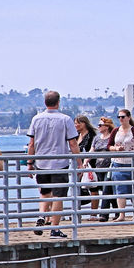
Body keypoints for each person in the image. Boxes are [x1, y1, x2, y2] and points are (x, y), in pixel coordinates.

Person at [27, 90, 79, 238]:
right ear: (58, 102)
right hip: (59, 163)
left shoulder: (36, 119)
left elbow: (31, 144)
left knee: (44, 193)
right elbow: (73, 143)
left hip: (41, 163)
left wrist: (30, 163)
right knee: (58, 196)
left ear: (45, 103)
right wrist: (80, 163)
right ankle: (55, 229)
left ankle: (42, 216)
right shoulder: (65, 119)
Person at [107, 109, 134, 219]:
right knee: (120, 189)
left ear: (128, 117)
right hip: (118, 162)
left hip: (132, 163)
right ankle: (121, 214)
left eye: (123, 117)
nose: (121, 119)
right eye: (119, 117)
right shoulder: (115, 131)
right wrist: (116, 148)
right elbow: (109, 146)